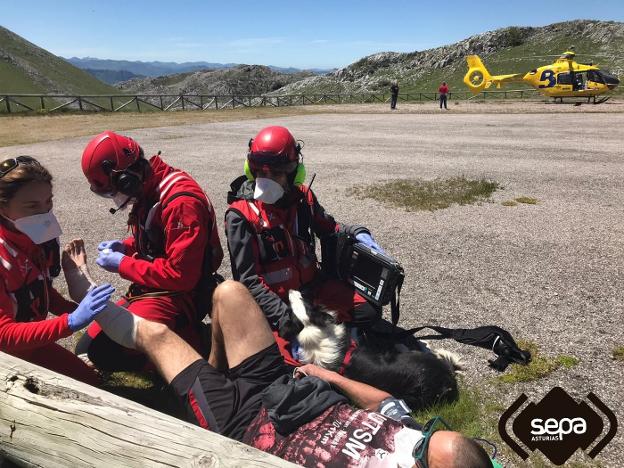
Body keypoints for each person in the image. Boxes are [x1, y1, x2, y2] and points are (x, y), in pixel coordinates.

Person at [61, 244, 496, 468]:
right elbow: (385, 403)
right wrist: (327, 377)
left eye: (423, 455)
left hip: (248, 424)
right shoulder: (413, 435)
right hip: (292, 387)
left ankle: (84, 292)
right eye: (426, 441)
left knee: (155, 335)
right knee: (230, 293)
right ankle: (214, 373)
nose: (419, 443)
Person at [75, 131, 223, 371]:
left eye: (113, 190)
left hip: (182, 294)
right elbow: (157, 242)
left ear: (127, 180)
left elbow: (182, 276)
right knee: (87, 346)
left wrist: (122, 264)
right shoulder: (148, 188)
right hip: (154, 288)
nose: (114, 196)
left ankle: (193, 341)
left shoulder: (181, 203)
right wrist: (126, 246)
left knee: (106, 352)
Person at [225, 126, 384, 340]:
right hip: (277, 303)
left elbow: (331, 229)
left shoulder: (304, 199)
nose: (267, 179)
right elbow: (249, 280)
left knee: (369, 311)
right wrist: (285, 317)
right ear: (251, 171)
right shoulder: (240, 216)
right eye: (262, 173)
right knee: (292, 354)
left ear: (293, 173)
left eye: (276, 173)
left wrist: (359, 233)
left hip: (314, 288)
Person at [0, 156, 114, 385]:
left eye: (48, 202)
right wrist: (69, 321)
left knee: (92, 384)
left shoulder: (29, 239)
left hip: (29, 346)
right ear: (3, 206)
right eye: (32, 206)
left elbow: (37, 290)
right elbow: (4, 336)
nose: (44, 213)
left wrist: (74, 309)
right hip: (6, 357)